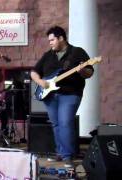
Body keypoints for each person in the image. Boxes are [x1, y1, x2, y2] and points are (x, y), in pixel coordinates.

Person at [30, 26, 94, 167]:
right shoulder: (48, 55)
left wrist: (82, 70)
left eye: (52, 40)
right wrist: (41, 82)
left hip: (70, 94)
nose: (50, 43)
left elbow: (89, 73)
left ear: (61, 38)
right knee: (56, 124)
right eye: (49, 41)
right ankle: (60, 153)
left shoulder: (77, 52)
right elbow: (34, 72)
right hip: (50, 95)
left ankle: (67, 156)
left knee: (65, 123)